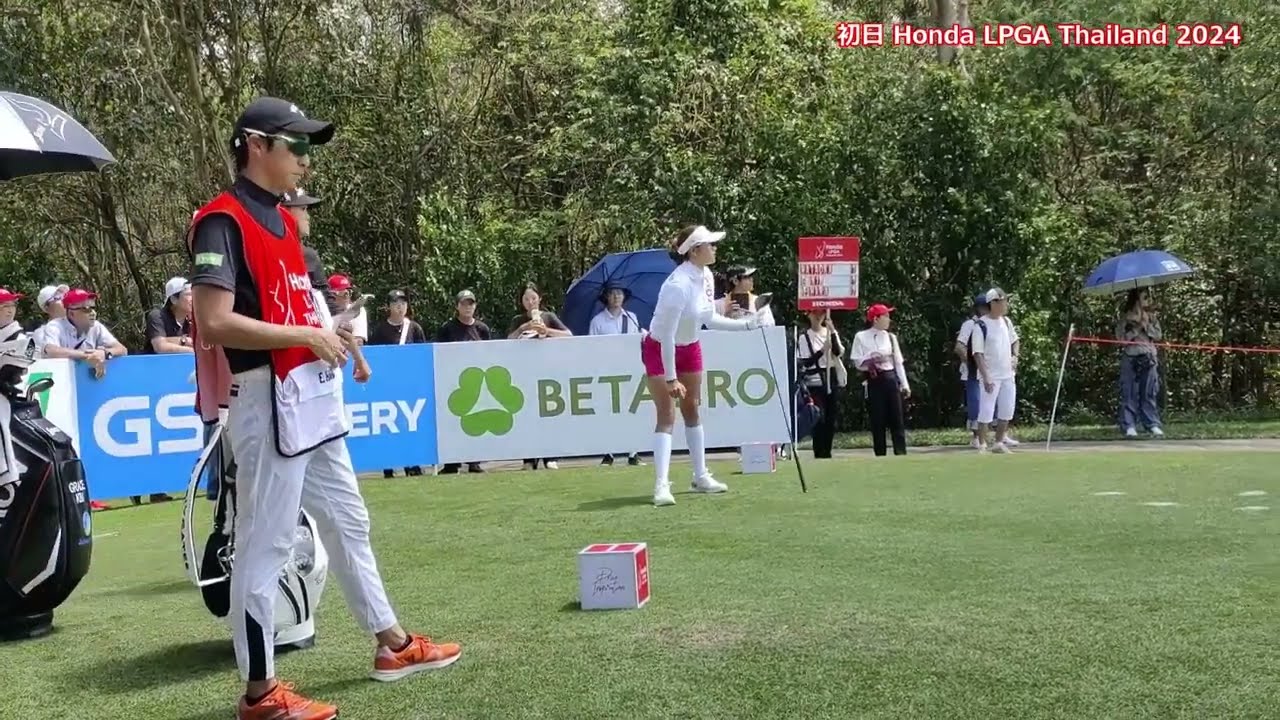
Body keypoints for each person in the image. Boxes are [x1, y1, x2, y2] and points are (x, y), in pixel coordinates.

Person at [187, 95, 460, 720]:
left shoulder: (283, 221)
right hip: (266, 401)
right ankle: (260, 695)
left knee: (348, 521)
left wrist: (325, 338)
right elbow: (213, 321)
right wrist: (308, 337)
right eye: (297, 145)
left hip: (309, 399)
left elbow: (292, 310)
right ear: (256, 144)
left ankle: (391, 643)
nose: (306, 159)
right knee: (266, 544)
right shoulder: (220, 221)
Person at [643, 224, 759, 507]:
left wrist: (744, 326)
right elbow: (668, 335)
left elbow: (708, 317)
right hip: (660, 348)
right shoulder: (676, 285)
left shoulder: (706, 275)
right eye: (710, 244)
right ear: (695, 251)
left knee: (693, 407)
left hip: (691, 346)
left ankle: (700, 476)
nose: (714, 248)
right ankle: (661, 485)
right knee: (667, 414)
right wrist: (671, 378)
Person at [508, 283, 570, 470]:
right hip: (524, 374)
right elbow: (508, 340)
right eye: (526, 299)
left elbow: (568, 335)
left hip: (548, 372)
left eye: (533, 298)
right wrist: (523, 328)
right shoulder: (518, 320)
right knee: (527, 415)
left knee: (548, 414)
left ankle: (551, 457)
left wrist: (547, 331)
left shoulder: (549, 317)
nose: (530, 302)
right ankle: (529, 458)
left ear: (539, 299)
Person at [589, 285, 645, 467]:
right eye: (612, 293)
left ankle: (633, 452)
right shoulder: (598, 321)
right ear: (606, 296)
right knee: (608, 410)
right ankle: (609, 452)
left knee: (632, 410)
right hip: (607, 371)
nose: (616, 297)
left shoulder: (632, 318)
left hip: (629, 370)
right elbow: (591, 347)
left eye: (619, 293)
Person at [436, 289, 491, 474]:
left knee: (475, 421)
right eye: (464, 303)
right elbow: (440, 353)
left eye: (471, 303)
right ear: (457, 306)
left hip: (477, 382)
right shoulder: (447, 328)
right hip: (453, 382)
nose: (468, 307)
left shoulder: (482, 329)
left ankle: (474, 461)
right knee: (452, 422)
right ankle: (452, 463)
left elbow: (489, 353)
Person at [851, 304, 909, 456]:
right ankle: (880, 454)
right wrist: (871, 358)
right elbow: (857, 361)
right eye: (886, 316)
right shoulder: (861, 337)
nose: (888, 320)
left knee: (897, 418)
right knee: (878, 419)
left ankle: (900, 452)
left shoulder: (890, 337)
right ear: (876, 319)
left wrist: (904, 384)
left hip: (890, 377)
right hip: (874, 379)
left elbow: (898, 362)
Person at [969, 288, 1018, 454]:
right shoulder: (981, 325)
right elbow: (978, 353)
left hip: (1007, 374)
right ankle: (982, 444)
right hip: (990, 375)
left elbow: (1015, 341)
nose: (1006, 304)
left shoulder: (1006, 322)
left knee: (1006, 409)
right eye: (1003, 300)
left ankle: (998, 443)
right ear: (993, 303)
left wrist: (1015, 357)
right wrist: (986, 375)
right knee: (986, 411)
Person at [40, 288, 128, 379]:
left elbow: (122, 349)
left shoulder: (96, 327)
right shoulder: (55, 326)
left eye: (93, 308)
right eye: (86, 309)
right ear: (71, 313)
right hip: (56, 381)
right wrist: (88, 356)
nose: (93, 313)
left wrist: (104, 354)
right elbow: (52, 351)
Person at [795, 309, 846, 459]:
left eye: (821, 313)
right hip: (815, 381)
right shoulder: (805, 337)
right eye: (815, 313)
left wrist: (833, 331)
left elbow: (838, 352)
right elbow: (806, 362)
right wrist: (822, 351)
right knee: (819, 417)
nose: (818, 316)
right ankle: (819, 451)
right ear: (808, 315)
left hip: (831, 377)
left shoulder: (829, 333)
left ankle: (827, 451)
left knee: (831, 417)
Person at [1117, 288, 1164, 437]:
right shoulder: (1125, 318)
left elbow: (1158, 336)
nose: (1148, 301)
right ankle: (1129, 425)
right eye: (1144, 298)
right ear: (1136, 300)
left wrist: (1146, 325)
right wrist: (1135, 329)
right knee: (1129, 392)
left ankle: (1151, 424)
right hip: (1131, 357)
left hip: (1148, 356)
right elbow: (1121, 339)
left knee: (1149, 392)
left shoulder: (1152, 317)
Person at [955, 294, 988, 448]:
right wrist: (969, 363)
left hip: (990, 369)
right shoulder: (970, 324)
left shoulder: (993, 324)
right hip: (973, 371)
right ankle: (976, 437)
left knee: (989, 403)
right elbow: (960, 346)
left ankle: (992, 436)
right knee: (975, 402)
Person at [144, 277, 194, 354]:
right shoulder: (158, 316)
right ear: (174, 299)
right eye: (188, 294)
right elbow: (160, 347)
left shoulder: (193, 320)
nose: (193, 298)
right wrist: (187, 343)